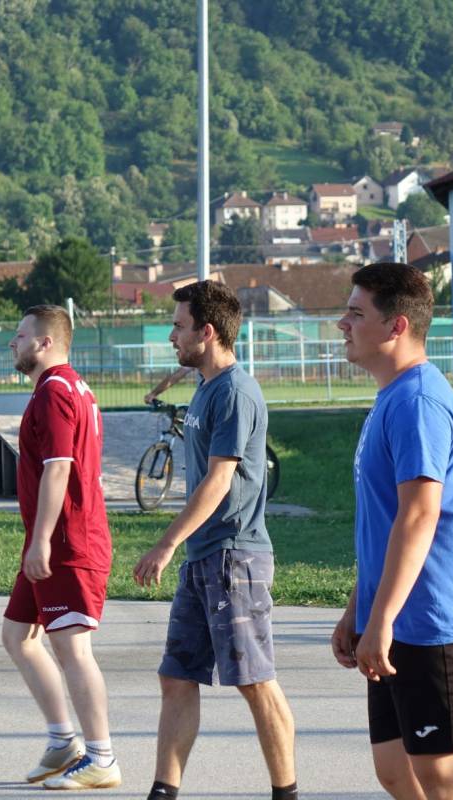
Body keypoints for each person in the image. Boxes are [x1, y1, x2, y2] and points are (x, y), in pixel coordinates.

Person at [330, 262, 453, 800]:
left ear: (396, 325)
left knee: (443, 780)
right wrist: (359, 608)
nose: (342, 323)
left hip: (440, 622)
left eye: (356, 313)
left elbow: (419, 516)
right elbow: (387, 520)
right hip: (398, 618)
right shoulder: (393, 396)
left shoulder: (417, 403)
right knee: (394, 769)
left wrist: (379, 619)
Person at [133, 281, 298, 800]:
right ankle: (164, 791)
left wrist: (166, 544)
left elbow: (219, 480)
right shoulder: (206, 386)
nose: (171, 335)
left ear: (206, 332)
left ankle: (287, 793)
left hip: (235, 557)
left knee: (254, 680)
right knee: (177, 676)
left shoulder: (234, 393)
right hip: (204, 556)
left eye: (179, 326)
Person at [1, 304, 121, 790]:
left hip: (68, 543)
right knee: (18, 636)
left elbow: (59, 468)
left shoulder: (54, 392)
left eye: (20, 334)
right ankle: (62, 741)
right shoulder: (70, 387)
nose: (13, 342)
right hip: (55, 540)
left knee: (73, 649)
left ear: (45, 342)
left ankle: (102, 758)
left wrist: (41, 541)